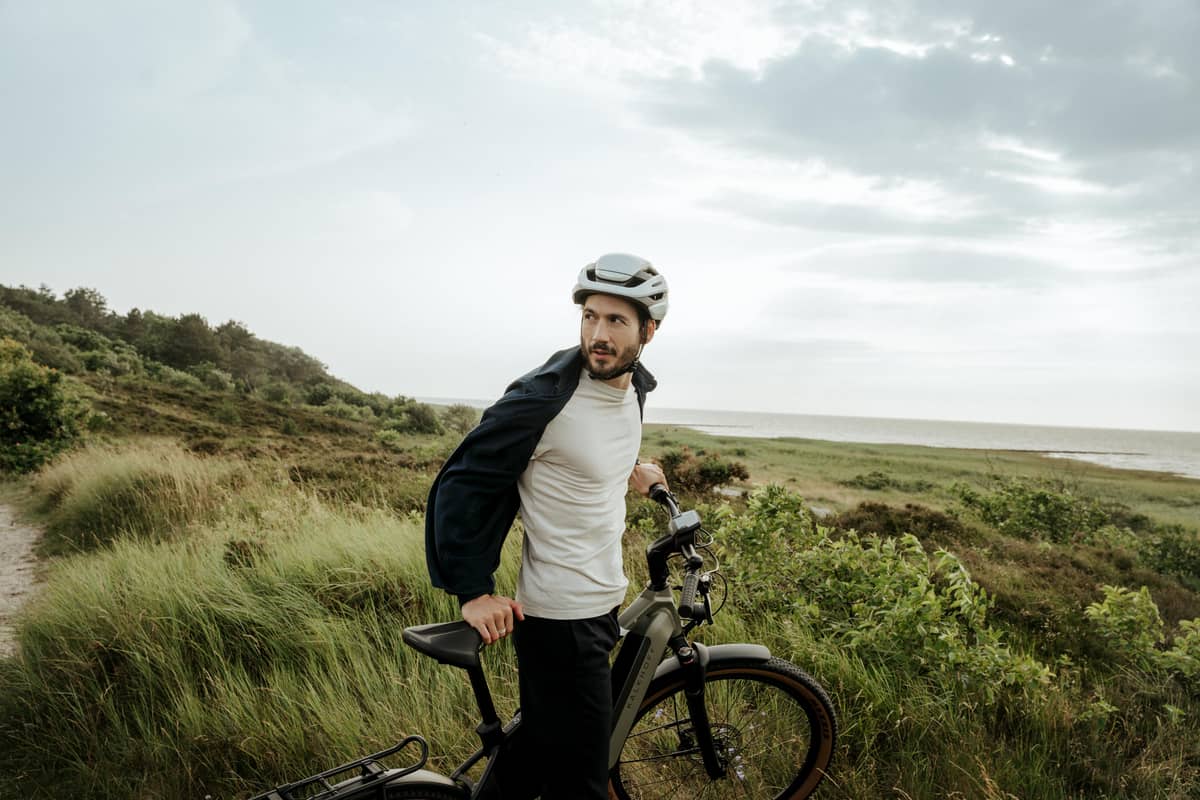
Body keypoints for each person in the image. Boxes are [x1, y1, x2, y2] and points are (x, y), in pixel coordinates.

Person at [424, 252, 670, 800]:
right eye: (590, 317)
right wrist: (471, 590)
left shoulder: (633, 388)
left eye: (615, 321)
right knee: (584, 783)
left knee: (531, 756)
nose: (598, 335)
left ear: (647, 332)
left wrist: (632, 471)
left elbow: (588, 455)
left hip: (601, 601)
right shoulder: (544, 400)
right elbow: (462, 483)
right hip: (562, 620)